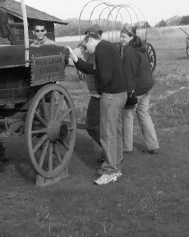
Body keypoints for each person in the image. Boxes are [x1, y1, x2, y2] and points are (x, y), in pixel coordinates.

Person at [67, 32, 127, 185]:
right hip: (120, 93)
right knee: (116, 133)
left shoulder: (101, 49)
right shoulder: (107, 47)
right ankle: (116, 167)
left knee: (108, 134)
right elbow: (92, 69)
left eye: (86, 46)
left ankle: (110, 171)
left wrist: (101, 89)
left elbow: (104, 76)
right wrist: (76, 60)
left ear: (91, 40)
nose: (86, 50)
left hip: (111, 96)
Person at [120, 27, 159, 155]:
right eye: (121, 36)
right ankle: (153, 146)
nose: (121, 39)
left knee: (128, 116)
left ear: (131, 37)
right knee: (143, 114)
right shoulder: (140, 48)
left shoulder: (130, 52)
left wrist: (129, 92)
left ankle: (127, 147)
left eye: (124, 37)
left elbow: (128, 74)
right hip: (147, 86)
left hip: (138, 89)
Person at [73, 24, 104, 162]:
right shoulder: (87, 50)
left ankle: (109, 150)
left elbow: (91, 69)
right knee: (101, 125)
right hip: (97, 94)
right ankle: (109, 151)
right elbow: (75, 54)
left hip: (100, 95)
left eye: (88, 35)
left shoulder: (99, 53)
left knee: (91, 126)